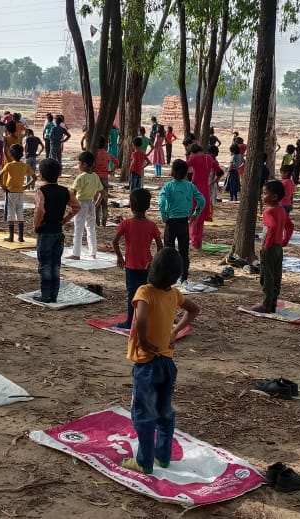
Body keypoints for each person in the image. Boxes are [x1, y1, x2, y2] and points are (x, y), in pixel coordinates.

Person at [119, 247, 201, 475]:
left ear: (148, 268)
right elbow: (194, 310)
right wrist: (175, 331)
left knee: (144, 415)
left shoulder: (144, 291)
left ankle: (144, 462)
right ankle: (163, 456)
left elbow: (142, 317)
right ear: (176, 277)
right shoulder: (174, 294)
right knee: (164, 411)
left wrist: (143, 341)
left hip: (147, 366)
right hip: (167, 364)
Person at [113, 189, 164, 329]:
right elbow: (160, 245)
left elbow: (114, 241)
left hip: (130, 266)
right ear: (147, 206)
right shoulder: (151, 225)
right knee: (146, 294)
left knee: (132, 294)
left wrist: (120, 257)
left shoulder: (126, 224)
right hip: (147, 266)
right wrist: (154, 262)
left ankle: (130, 322)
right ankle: (146, 320)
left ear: (131, 206)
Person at [33, 158, 80, 303]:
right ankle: (54, 294)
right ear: (59, 174)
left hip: (45, 231)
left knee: (45, 264)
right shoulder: (65, 191)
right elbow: (76, 206)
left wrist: (37, 225)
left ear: (41, 174)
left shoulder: (41, 191)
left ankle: (46, 294)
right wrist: (65, 219)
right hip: (58, 232)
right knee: (55, 264)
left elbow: (39, 209)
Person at [159, 159, 206, 284]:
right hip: (184, 223)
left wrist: (164, 216)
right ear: (186, 173)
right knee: (183, 252)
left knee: (168, 251)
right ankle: (184, 277)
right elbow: (202, 200)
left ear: (172, 172)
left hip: (171, 222)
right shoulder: (190, 186)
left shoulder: (168, 186)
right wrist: (196, 214)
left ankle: (167, 277)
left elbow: (161, 203)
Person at [252, 180, 295, 313]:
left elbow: (272, 226)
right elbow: (290, 225)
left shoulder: (268, 211)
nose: (262, 196)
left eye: (265, 193)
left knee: (266, 276)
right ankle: (273, 302)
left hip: (269, 248)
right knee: (276, 275)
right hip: (278, 248)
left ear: (274, 196)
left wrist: (267, 244)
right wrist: (285, 240)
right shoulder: (282, 210)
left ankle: (266, 304)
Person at [70, 151, 105, 261]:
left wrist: (72, 206)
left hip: (81, 203)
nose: (78, 165)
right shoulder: (95, 176)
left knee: (79, 229)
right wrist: (96, 204)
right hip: (91, 203)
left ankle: (76, 253)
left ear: (84, 164)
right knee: (91, 229)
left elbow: (72, 192)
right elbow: (102, 192)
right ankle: (93, 253)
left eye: (79, 163)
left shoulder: (81, 177)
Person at [0, 144, 35, 242]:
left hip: (10, 192)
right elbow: (34, 177)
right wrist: (26, 186)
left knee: (10, 213)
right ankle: (21, 236)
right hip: (20, 192)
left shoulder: (9, 165)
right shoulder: (24, 165)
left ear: (11, 155)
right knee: (20, 212)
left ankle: (11, 236)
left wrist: (3, 187)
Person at [186, 143, 221, 246]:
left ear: (192, 152)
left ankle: (194, 241)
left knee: (193, 216)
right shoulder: (210, 159)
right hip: (205, 190)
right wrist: (212, 182)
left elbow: (183, 167)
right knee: (200, 218)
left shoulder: (195, 158)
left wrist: (185, 180)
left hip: (195, 189)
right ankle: (198, 241)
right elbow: (220, 172)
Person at [95, 137, 120, 227]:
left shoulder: (94, 154)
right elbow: (117, 162)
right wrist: (111, 171)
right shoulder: (107, 154)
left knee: (96, 200)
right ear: (105, 144)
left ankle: (97, 222)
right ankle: (104, 222)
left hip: (96, 178)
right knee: (104, 201)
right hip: (105, 177)